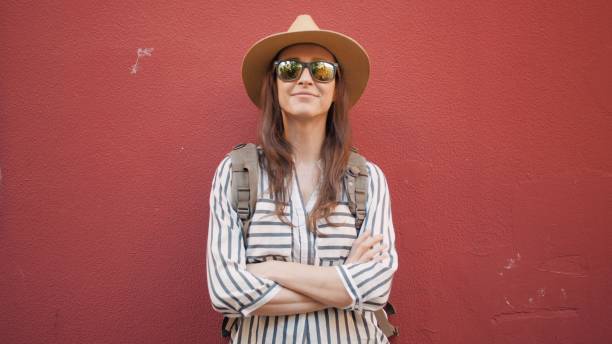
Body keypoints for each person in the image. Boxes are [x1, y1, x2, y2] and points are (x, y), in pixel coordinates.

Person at [206, 14, 399, 343]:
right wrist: (342, 285)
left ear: (336, 89)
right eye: (290, 69)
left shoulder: (367, 179)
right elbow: (225, 293)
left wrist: (270, 269)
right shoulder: (236, 173)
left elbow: (376, 291)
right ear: (275, 84)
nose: (306, 79)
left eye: (322, 70)